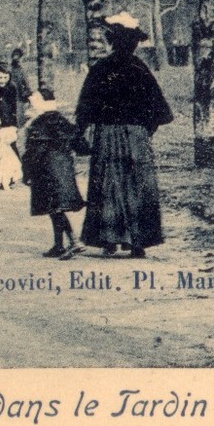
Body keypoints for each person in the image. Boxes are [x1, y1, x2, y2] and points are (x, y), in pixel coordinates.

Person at [76, 13, 174, 259]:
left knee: (107, 184)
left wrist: (81, 131)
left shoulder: (100, 69)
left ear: (112, 41)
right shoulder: (139, 69)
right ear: (133, 44)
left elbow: (85, 106)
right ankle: (138, 242)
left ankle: (109, 239)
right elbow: (159, 109)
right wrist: (145, 129)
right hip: (135, 136)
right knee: (136, 185)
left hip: (107, 135)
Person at [22, 88, 90, 259]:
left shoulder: (38, 124)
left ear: (43, 104)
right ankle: (58, 245)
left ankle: (74, 241)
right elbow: (81, 145)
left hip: (46, 171)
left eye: (34, 102)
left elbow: (33, 152)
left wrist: (27, 173)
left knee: (55, 208)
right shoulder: (62, 121)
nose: (31, 104)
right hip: (64, 170)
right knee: (55, 208)